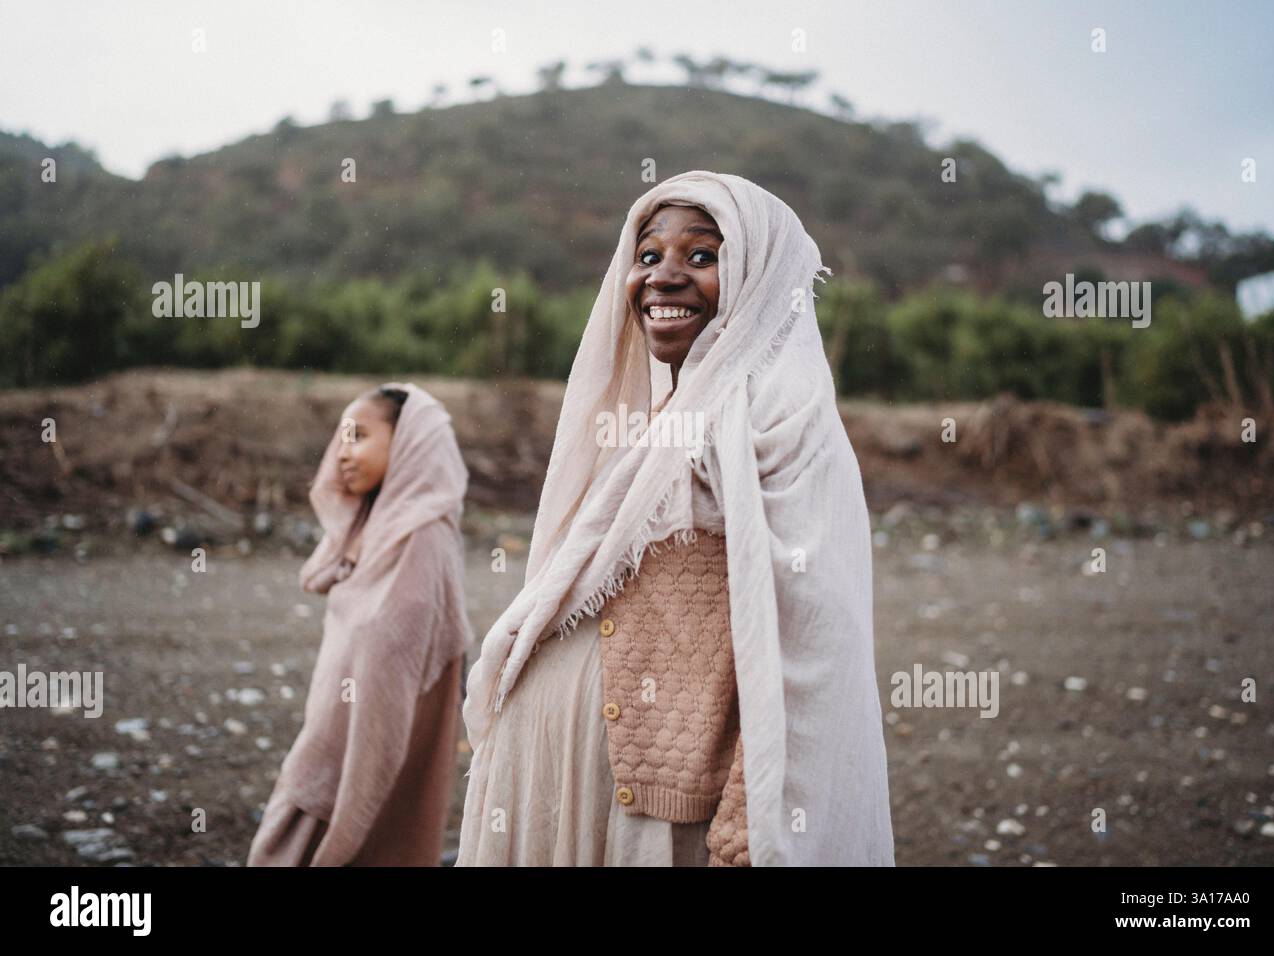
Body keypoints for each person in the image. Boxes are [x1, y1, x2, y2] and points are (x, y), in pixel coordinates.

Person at [456, 170, 895, 866]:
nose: (663, 277)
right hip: (578, 787)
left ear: (758, 275)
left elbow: (810, 638)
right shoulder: (662, 419)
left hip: (668, 811)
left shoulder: (785, 421)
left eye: (702, 255)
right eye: (649, 255)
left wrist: (753, 819)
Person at [247, 383, 474, 866]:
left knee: (348, 819)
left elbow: (393, 644)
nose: (342, 453)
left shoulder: (423, 536)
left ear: (411, 444)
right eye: (341, 438)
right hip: (342, 718)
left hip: (375, 728)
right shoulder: (375, 529)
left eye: (359, 436)